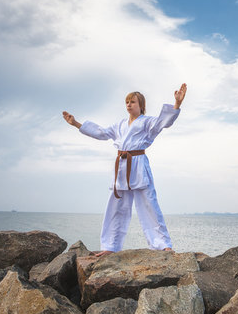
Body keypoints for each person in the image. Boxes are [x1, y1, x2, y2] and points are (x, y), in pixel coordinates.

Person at [63, 83, 187, 257]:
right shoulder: (120, 125)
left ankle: (162, 244)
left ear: (141, 105)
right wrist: (76, 123)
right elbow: (101, 133)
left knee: (149, 205)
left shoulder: (147, 122)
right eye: (127, 102)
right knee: (115, 207)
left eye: (133, 102)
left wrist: (176, 105)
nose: (129, 104)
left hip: (138, 163)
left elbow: (163, 123)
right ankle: (110, 246)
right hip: (121, 166)